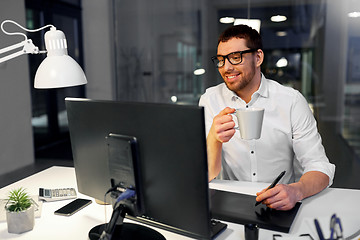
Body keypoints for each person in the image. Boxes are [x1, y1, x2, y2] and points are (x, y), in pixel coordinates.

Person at [199, 25, 335, 211]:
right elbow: (206, 175)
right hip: (230, 203)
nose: (227, 67)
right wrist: (214, 139)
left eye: (236, 57)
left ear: (258, 58)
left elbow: (320, 166)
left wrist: (296, 191)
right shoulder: (210, 100)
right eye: (221, 60)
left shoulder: (291, 101)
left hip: (281, 203)